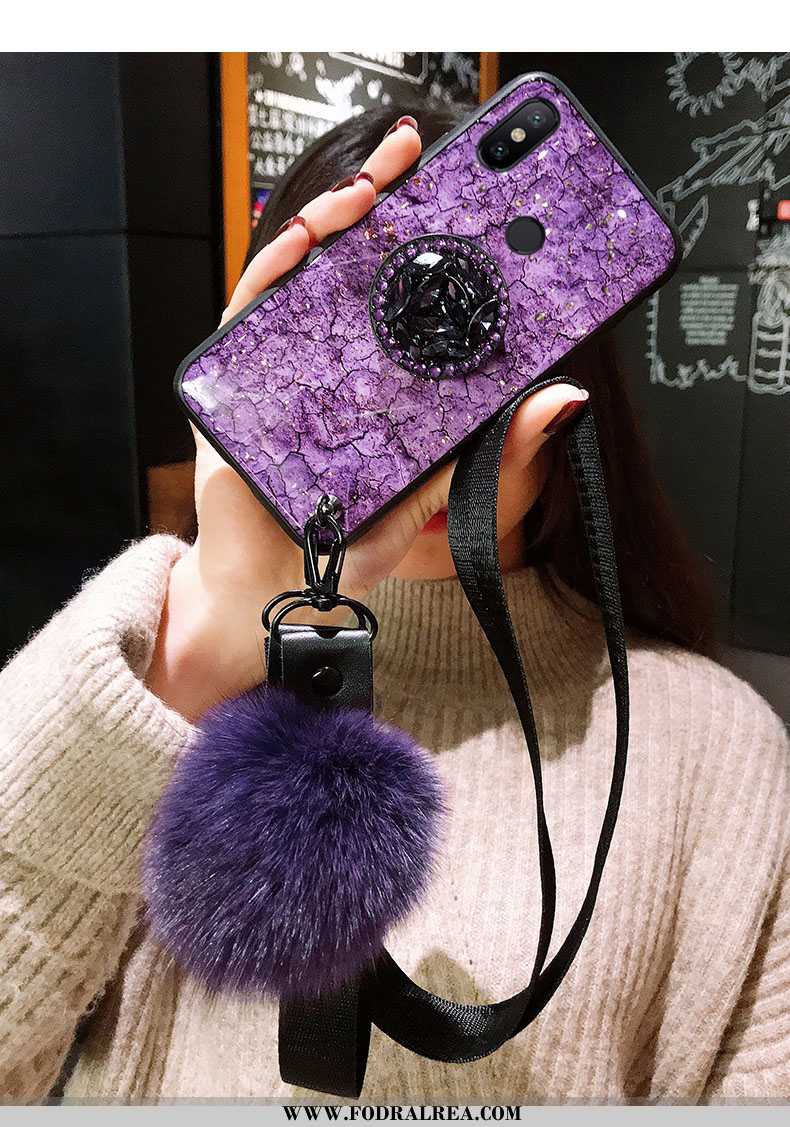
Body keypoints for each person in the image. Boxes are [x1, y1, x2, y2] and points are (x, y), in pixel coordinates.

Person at [1, 103, 788, 1104]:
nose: (418, 410)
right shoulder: (147, 682)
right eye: (366, 335)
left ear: (564, 360)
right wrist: (201, 635)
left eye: (463, 330)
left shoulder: (715, 753)